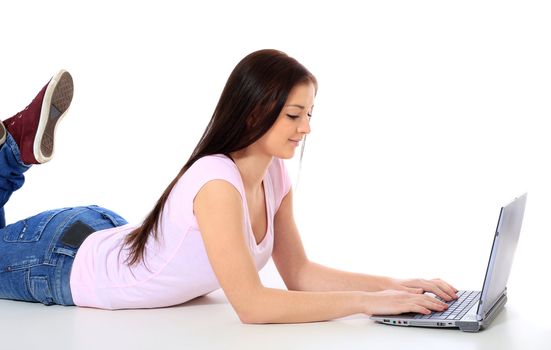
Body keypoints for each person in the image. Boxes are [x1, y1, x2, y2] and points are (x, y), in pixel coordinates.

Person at [0, 49, 458, 323]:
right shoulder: (217, 184)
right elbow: (252, 305)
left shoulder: (274, 175)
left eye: (310, 114)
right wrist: (367, 304)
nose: (306, 128)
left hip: (103, 233)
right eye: (294, 116)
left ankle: (12, 149)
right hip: (59, 262)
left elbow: (299, 274)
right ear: (255, 113)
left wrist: (395, 288)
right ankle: (12, 154)